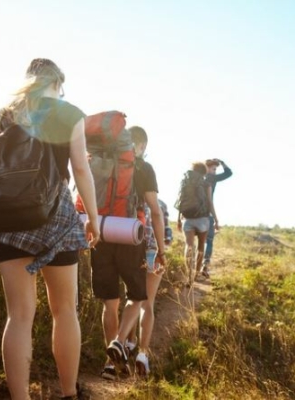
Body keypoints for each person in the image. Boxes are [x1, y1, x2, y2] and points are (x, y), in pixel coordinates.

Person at [0, 58, 100, 400]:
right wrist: (94, 219)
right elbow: (82, 172)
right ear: (58, 83)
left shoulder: (4, 116)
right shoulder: (68, 114)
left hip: (8, 221)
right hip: (56, 217)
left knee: (19, 315)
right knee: (64, 309)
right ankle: (69, 393)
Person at [91, 125, 166, 380]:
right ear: (142, 145)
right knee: (137, 296)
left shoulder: (103, 161)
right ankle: (120, 342)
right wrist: (162, 250)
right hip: (130, 234)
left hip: (102, 233)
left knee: (110, 303)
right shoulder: (143, 167)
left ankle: (110, 365)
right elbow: (155, 211)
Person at [125, 198, 172, 377]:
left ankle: (129, 342)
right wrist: (162, 253)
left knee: (132, 298)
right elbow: (167, 237)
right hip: (153, 252)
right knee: (147, 303)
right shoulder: (159, 204)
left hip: (130, 252)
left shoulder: (129, 200)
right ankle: (143, 353)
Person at [176, 162, 218, 285]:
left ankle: (188, 276)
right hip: (203, 219)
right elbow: (210, 202)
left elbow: (180, 201)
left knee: (188, 246)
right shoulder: (206, 184)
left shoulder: (185, 182)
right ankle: (196, 274)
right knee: (200, 246)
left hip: (187, 218)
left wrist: (178, 219)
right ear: (204, 172)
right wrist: (216, 219)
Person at [201, 159, 232, 277]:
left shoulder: (198, 178)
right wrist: (223, 162)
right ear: (207, 168)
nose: (214, 172)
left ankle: (192, 267)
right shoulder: (211, 178)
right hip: (207, 214)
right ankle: (205, 266)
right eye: (214, 169)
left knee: (197, 242)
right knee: (209, 241)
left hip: (194, 214)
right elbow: (229, 173)